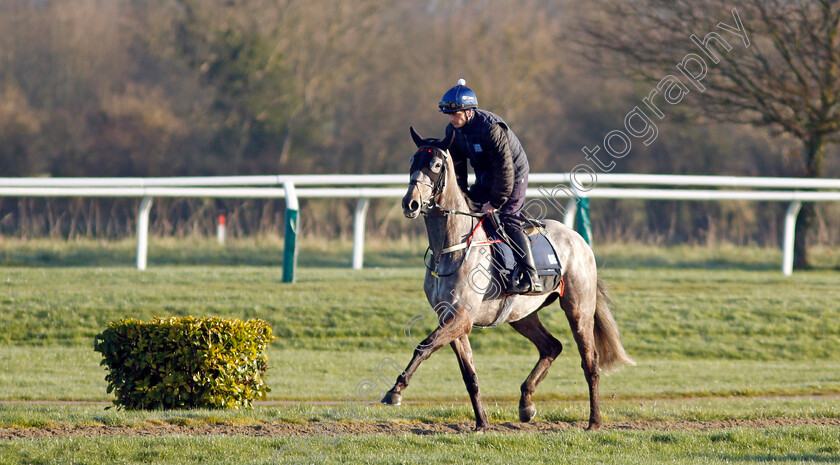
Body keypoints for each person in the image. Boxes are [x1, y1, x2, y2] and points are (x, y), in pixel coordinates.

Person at [439, 79, 542, 294]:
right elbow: (458, 169)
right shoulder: (454, 130)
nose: (450, 118)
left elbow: (505, 170)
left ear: (468, 112)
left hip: (514, 175)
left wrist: (495, 202)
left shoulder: (490, 128)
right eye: (448, 114)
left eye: (454, 113)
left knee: (508, 217)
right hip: (487, 175)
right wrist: (463, 196)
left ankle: (531, 275)